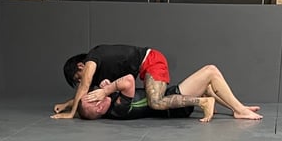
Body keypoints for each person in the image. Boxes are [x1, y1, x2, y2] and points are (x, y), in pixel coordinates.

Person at [53, 44, 212, 121]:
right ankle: (208, 94)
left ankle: (204, 101)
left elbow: (85, 87)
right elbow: (87, 95)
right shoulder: (102, 81)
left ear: (81, 66)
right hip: (151, 70)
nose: (81, 82)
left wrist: (71, 113)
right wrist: (67, 104)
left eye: (78, 78)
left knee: (156, 101)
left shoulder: (91, 61)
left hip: (151, 60)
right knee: (206, 79)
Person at [78, 65, 263, 122]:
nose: (95, 95)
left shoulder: (110, 104)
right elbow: (128, 81)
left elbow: (116, 89)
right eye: (93, 99)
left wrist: (106, 87)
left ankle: (238, 108)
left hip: (172, 97)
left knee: (208, 86)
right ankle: (239, 110)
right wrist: (108, 89)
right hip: (175, 104)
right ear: (99, 108)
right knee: (211, 71)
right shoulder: (118, 109)